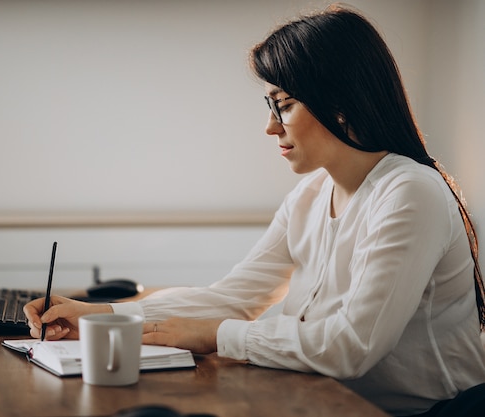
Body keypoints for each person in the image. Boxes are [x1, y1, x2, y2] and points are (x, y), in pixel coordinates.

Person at [24, 5, 485, 416]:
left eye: (282, 106)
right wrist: (103, 315)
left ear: (341, 105)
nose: (269, 127)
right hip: (329, 400)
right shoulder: (310, 195)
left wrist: (214, 335)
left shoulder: (411, 193)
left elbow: (351, 347)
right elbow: (235, 296)